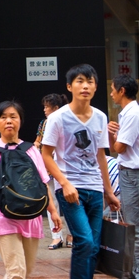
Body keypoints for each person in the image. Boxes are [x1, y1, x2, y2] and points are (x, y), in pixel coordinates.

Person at [41, 64, 120, 279]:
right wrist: (64, 183)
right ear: (69, 86)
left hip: (95, 189)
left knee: (93, 246)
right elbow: (46, 155)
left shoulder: (101, 117)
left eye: (90, 82)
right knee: (83, 240)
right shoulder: (57, 118)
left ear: (95, 88)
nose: (85, 86)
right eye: (80, 81)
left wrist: (109, 191)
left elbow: (100, 156)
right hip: (69, 189)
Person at [0, 101, 62, 279]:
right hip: (4, 217)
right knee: (16, 272)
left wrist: (53, 212)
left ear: (20, 121)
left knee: (27, 271)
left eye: (13, 117)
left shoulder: (31, 151)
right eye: (3, 117)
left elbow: (43, 183)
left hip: (32, 216)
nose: (9, 121)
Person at [107, 73, 139, 277]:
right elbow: (115, 148)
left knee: (133, 226)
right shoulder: (126, 114)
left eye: (113, 89)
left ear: (122, 91)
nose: (111, 94)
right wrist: (112, 135)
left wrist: (114, 136)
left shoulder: (132, 113)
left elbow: (119, 147)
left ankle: (135, 272)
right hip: (128, 173)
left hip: (132, 175)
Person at [34, 93, 72, 250]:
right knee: (52, 203)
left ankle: (71, 234)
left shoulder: (68, 122)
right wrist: (36, 146)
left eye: (47, 107)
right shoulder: (44, 123)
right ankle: (56, 237)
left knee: (70, 202)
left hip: (66, 167)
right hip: (48, 166)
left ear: (56, 108)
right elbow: (38, 140)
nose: (44, 109)